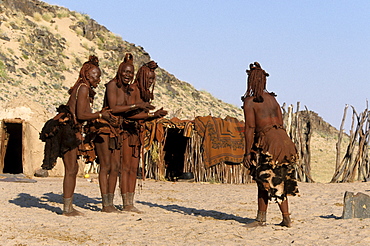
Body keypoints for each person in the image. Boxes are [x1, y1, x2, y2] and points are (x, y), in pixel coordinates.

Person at [40, 55, 112, 216]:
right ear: (88, 75)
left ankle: (68, 207)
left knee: (72, 169)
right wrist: (100, 115)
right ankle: (67, 209)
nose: (99, 80)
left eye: (99, 76)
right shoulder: (84, 88)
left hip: (70, 128)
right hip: (68, 130)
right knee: (71, 169)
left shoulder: (81, 87)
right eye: (96, 76)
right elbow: (81, 114)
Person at [93, 53, 153, 212]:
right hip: (107, 129)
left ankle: (113, 204)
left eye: (131, 73)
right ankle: (107, 205)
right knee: (106, 167)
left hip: (117, 130)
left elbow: (126, 112)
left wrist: (149, 115)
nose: (128, 76)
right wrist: (137, 108)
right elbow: (114, 108)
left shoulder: (126, 90)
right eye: (126, 72)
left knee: (115, 167)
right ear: (120, 71)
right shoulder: (112, 85)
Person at [242, 62, 299, 227]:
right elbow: (280, 123)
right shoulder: (273, 100)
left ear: (251, 81)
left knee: (270, 180)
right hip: (284, 140)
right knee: (271, 177)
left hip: (269, 142)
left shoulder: (250, 102)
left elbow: (250, 128)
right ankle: (277, 217)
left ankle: (269, 219)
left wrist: (247, 153)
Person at [119, 59, 167, 213]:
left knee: (133, 168)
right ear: (142, 76)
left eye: (153, 79)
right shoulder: (132, 90)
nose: (151, 81)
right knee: (126, 167)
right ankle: (126, 203)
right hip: (126, 133)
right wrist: (151, 114)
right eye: (149, 78)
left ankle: (130, 202)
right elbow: (126, 113)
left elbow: (142, 115)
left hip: (137, 133)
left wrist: (154, 115)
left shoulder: (144, 94)